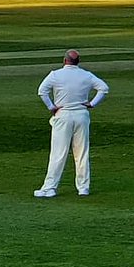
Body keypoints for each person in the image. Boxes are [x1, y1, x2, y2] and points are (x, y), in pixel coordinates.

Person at [34, 50, 109, 198]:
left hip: (63, 116)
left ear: (64, 60)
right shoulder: (86, 75)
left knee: (58, 153)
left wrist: (51, 107)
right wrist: (92, 104)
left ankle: (50, 187)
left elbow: (42, 91)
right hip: (81, 115)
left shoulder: (55, 75)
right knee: (81, 153)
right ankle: (83, 188)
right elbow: (104, 88)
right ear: (78, 61)